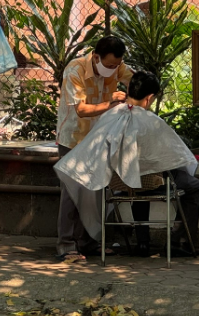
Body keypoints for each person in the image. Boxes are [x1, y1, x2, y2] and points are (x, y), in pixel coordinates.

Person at [54, 71, 199, 258]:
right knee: (191, 186)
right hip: (148, 181)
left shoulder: (108, 117)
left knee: (137, 179)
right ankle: (178, 242)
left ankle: (142, 243)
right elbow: (176, 156)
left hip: (117, 182)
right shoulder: (153, 123)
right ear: (149, 99)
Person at [55, 36, 133, 262]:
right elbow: (80, 110)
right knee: (72, 192)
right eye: (109, 66)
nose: (113, 70)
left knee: (95, 192)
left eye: (116, 66)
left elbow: (133, 79)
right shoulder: (75, 70)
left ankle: (88, 243)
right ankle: (66, 245)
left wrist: (139, 91)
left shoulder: (116, 67)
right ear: (96, 57)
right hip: (73, 139)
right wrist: (110, 104)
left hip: (99, 138)